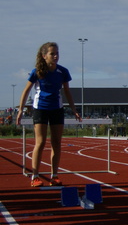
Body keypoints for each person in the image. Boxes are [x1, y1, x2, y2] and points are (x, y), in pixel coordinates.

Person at [16, 42, 81, 187]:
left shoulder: (63, 71)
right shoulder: (37, 71)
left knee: (56, 142)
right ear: (44, 56)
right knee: (40, 142)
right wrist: (20, 110)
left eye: (57, 53)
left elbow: (67, 92)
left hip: (57, 109)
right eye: (52, 54)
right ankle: (35, 176)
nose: (56, 56)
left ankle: (54, 175)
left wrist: (74, 109)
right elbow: (26, 90)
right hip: (40, 109)